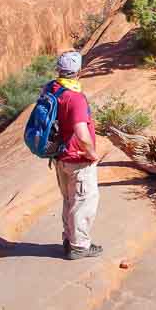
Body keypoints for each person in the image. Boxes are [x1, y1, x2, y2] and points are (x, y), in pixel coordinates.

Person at [51, 51, 103, 260]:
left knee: (69, 199)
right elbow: (81, 132)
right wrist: (91, 153)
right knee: (83, 201)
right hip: (77, 158)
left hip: (60, 157)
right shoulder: (74, 97)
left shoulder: (53, 88)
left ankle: (68, 239)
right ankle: (79, 246)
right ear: (79, 71)